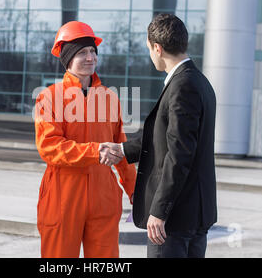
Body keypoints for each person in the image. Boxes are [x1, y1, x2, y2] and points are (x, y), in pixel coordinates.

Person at [100, 14, 217, 258]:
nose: (151, 55)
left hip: (174, 220)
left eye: (149, 49)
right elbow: (161, 135)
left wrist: (160, 211)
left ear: (158, 48)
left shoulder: (181, 86)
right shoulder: (199, 81)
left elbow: (179, 155)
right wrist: (121, 150)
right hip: (194, 215)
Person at [34, 21, 136, 258]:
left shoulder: (109, 99)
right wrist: (95, 151)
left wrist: (134, 190)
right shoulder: (49, 97)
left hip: (103, 197)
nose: (90, 57)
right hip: (63, 199)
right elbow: (49, 147)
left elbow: (120, 148)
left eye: (93, 51)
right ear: (67, 58)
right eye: (82, 53)